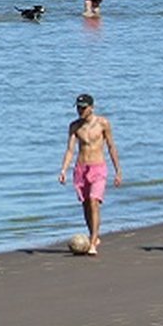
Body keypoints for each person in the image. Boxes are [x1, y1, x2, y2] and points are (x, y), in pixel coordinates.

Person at [58, 93, 123, 255]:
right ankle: (94, 234)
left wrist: (118, 170)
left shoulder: (103, 123)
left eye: (83, 108)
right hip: (81, 169)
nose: (80, 110)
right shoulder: (74, 126)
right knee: (86, 204)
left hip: (98, 168)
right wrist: (64, 170)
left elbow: (111, 146)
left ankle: (93, 241)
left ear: (91, 108)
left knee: (94, 201)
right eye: (78, 108)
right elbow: (70, 150)